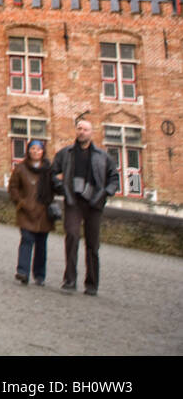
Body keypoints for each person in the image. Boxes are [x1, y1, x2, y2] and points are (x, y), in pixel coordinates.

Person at [51, 116, 119, 296]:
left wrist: (105, 193)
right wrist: (61, 188)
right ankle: (70, 280)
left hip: (94, 203)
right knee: (72, 237)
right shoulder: (66, 153)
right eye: (79, 129)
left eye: (85, 129)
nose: (82, 132)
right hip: (74, 201)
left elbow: (114, 178)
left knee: (93, 244)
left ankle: (92, 284)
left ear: (92, 133)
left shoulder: (103, 156)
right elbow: (52, 172)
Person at [7, 138, 55, 285]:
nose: (35, 152)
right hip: (26, 211)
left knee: (41, 245)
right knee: (27, 240)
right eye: (33, 149)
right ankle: (23, 271)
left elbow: (55, 187)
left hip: (43, 212)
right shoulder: (21, 168)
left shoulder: (48, 169)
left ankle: (40, 275)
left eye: (38, 149)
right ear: (28, 151)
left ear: (43, 152)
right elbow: (13, 187)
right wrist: (20, 202)